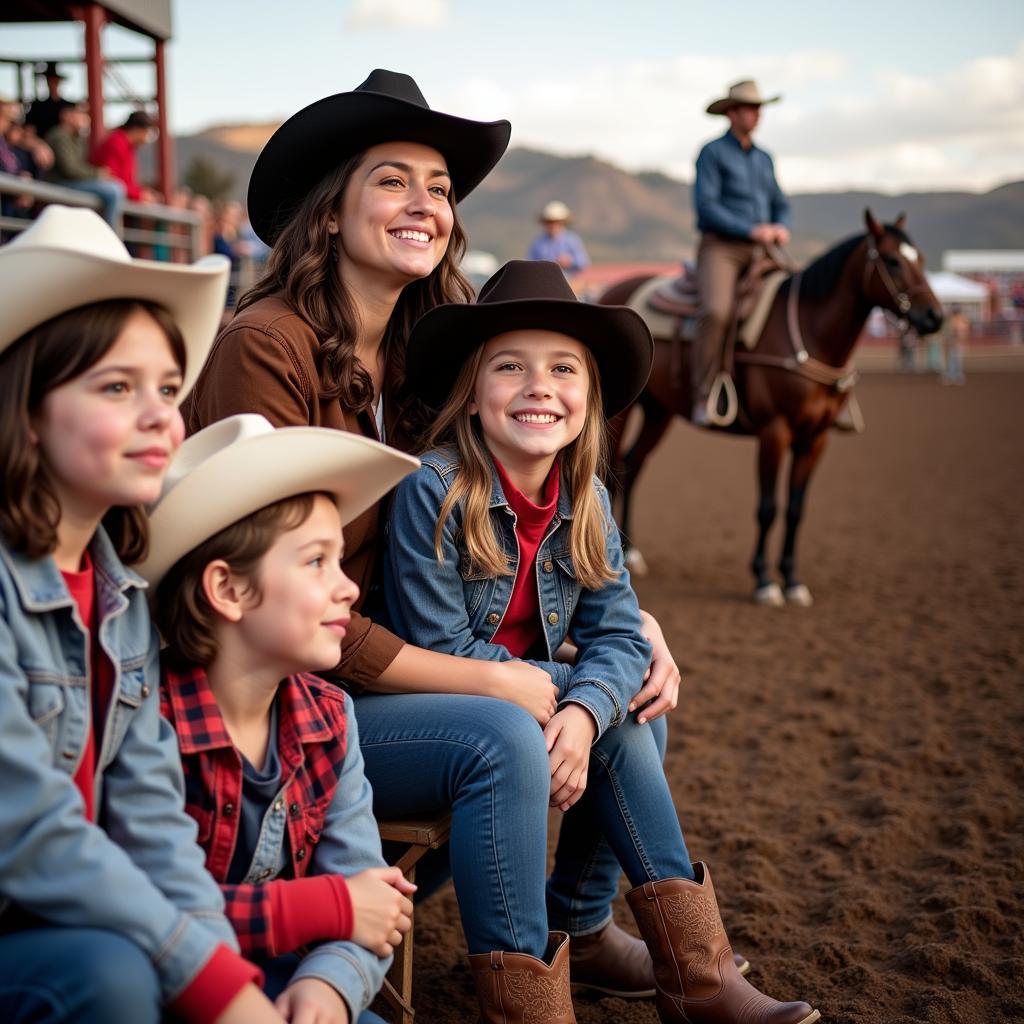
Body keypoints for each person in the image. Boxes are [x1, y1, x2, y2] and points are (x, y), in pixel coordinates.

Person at [184, 68, 688, 1015]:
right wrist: (485, 678)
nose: (427, 204)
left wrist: (630, 623)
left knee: (625, 691)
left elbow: (500, 518)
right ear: (330, 212)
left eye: (442, 189)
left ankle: (612, 936)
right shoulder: (268, 347)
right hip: (285, 694)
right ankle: (526, 998)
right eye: (395, 180)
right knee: (505, 725)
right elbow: (271, 591)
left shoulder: (423, 354)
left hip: (383, 666)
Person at [381, 258, 821, 1024]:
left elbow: (620, 631)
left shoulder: (586, 500)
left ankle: (694, 973)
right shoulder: (434, 489)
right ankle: (535, 1001)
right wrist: (568, 692)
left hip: (525, 702)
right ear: (471, 391)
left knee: (634, 707)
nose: (538, 386)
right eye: (509, 367)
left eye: (562, 369)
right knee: (572, 718)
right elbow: (438, 648)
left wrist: (582, 712)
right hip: (436, 716)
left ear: (589, 396)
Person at [0, 205, 283, 1023]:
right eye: (118, 388)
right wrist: (217, 987)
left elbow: (153, 818)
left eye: (168, 387)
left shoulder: (121, 596)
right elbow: (30, 828)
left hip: (66, 923)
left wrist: (219, 966)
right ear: (25, 410)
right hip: (51, 932)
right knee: (114, 974)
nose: (164, 415)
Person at [138, 414, 421, 1024]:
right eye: (317, 562)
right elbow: (150, 915)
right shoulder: (146, 728)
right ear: (229, 590)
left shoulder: (330, 717)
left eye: (341, 561)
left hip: (291, 982)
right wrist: (330, 906)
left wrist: (329, 987)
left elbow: (371, 896)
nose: (348, 589)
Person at [692, 80, 792, 426]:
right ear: (732, 113)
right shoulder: (712, 153)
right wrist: (749, 229)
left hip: (763, 248)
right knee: (717, 311)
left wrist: (781, 224)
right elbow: (706, 207)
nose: (758, 114)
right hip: (722, 248)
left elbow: (780, 202)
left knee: (800, 294)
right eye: (751, 108)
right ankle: (704, 393)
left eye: (760, 108)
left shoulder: (765, 159)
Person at [44, 100, 125, 227]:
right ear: (67, 115)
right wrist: (98, 173)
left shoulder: (75, 137)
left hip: (69, 182)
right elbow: (70, 169)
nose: (85, 118)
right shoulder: (59, 135)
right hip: (60, 183)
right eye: (81, 113)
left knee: (115, 187)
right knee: (113, 189)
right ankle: (109, 232)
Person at [91, 109, 157, 203]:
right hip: (106, 197)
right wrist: (139, 195)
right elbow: (111, 178)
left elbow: (127, 181)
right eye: (146, 133)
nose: (146, 139)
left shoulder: (128, 146)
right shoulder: (116, 143)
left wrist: (141, 193)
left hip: (120, 196)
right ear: (136, 129)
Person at [527, 200, 590, 277]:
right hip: (543, 282)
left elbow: (583, 262)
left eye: (555, 222)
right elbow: (529, 265)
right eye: (549, 222)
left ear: (562, 222)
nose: (552, 225)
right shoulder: (538, 243)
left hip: (568, 283)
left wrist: (569, 261)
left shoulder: (572, 240)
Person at [24, 60, 67, 140]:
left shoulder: (68, 106)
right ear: (47, 82)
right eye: (50, 80)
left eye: (55, 81)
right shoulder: (37, 107)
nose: (53, 84)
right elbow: (29, 129)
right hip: (42, 143)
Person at [942, 304, 969, 385]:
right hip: (954, 343)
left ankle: (956, 376)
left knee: (956, 360)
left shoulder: (959, 320)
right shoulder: (955, 319)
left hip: (957, 343)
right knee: (952, 360)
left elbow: (961, 332)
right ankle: (952, 376)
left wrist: (955, 338)